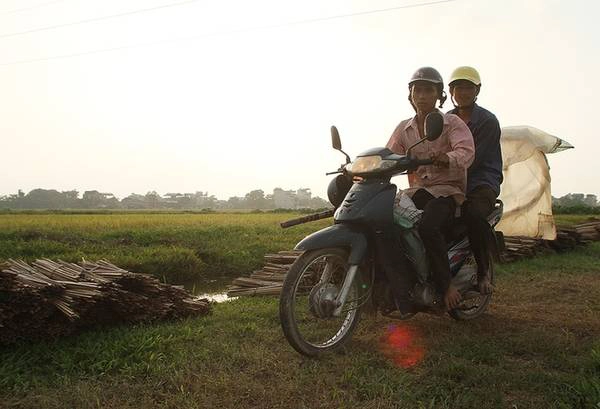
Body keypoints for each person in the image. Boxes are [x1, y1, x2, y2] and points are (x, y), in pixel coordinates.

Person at [386, 67, 474, 310]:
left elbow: (466, 151)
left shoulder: (451, 123)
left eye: (428, 90)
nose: (422, 95)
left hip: (447, 191)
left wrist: (447, 157)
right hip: (417, 192)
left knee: (428, 226)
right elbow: (391, 155)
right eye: (417, 90)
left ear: (439, 95)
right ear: (410, 94)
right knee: (386, 221)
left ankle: (447, 286)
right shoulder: (404, 128)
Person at [447, 66, 503, 295]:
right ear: (451, 91)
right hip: (451, 181)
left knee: (473, 214)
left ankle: (482, 271)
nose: (463, 92)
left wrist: (441, 165)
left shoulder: (487, 121)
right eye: (458, 87)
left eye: (468, 87)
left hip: (481, 181)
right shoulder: (445, 120)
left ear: (477, 90)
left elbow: (473, 158)